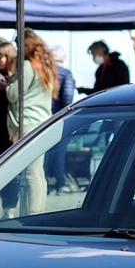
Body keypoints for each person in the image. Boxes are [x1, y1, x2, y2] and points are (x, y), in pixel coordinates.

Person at [0, 28, 60, 217]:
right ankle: (35, 210)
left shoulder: (28, 66)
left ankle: (33, 213)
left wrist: (3, 87)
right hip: (42, 122)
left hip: (28, 123)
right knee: (37, 173)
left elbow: (15, 94)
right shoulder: (44, 66)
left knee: (31, 174)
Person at [46, 45, 77, 194]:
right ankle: (60, 183)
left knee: (45, 152)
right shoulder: (66, 74)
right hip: (61, 117)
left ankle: (47, 181)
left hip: (45, 117)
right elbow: (68, 98)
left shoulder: (46, 72)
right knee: (60, 152)